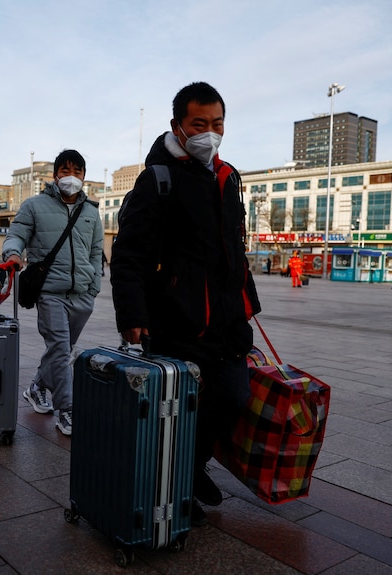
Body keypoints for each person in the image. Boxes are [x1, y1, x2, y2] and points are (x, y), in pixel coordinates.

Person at [110, 82, 260, 527]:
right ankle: (176, 488)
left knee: (232, 397)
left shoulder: (228, 175)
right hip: (177, 318)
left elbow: (235, 247)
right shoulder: (158, 178)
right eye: (200, 124)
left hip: (228, 320)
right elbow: (130, 253)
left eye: (217, 124)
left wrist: (247, 301)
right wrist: (133, 316)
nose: (209, 133)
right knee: (176, 410)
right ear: (178, 124)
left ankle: (192, 469)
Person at [3, 149, 103, 436]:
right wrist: (12, 252)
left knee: (62, 350)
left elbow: (96, 252)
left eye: (77, 172)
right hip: (50, 292)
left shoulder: (91, 213)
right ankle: (66, 410)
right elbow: (17, 233)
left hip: (82, 294)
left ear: (84, 176)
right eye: (65, 171)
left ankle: (37, 387)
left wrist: (94, 285)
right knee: (60, 348)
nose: (71, 177)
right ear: (55, 175)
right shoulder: (34, 205)